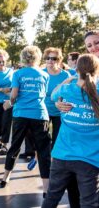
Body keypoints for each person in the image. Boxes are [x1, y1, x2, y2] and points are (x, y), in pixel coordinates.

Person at [42, 54, 99, 207]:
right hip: (89, 160)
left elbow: (53, 95)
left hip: (62, 156)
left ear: (76, 69)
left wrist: (68, 79)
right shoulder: (96, 91)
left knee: (51, 198)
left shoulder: (66, 89)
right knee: (89, 203)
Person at [1, 46, 51, 198]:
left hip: (21, 114)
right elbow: (43, 94)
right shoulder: (44, 75)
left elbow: (14, 95)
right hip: (40, 114)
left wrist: (9, 103)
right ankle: (45, 188)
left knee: (15, 145)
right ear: (38, 57)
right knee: (43, 151)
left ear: (23, 57)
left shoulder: (18, 73)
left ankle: (6, 177)